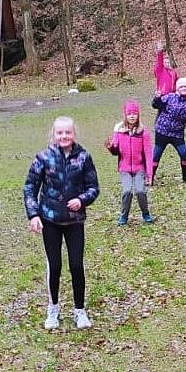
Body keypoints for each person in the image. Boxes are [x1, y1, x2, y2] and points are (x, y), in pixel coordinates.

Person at [23, 117, 99, 331]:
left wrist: (82, 200)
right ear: (53, 135)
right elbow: (30, 187)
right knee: (54, 266)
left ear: (73, 134)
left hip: (75, 221)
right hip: (50, 220)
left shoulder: (83, 157)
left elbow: (93, 187)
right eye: (60, 133)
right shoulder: (43, 158)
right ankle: (53, 308)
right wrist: (33, 215)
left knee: (76, 265)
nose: (64, 136)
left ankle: (79, 310)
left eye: (68, 132)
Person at [106, 100, 154, 226]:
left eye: (134, 113)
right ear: (125, 115)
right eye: (129, 114)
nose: (132, 116)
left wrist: (150, 174)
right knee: (127, 191)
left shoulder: (143, 133)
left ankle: (145, 213)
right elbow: (116, 151)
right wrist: (111, 147)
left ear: (138, 115)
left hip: (139, 168)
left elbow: (148, 155)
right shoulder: (119, 132)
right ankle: (124, 216)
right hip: (124, 168)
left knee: (140, 191)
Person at [151, 77, 186, 182]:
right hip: (162, 132)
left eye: (185, 87)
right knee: (156, 155)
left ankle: (185, 176)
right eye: (181, 86)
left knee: (184, 154)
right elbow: (156, 105)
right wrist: (157, 98)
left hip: (177, 135)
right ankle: (150, 176)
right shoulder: (170, 97)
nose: (183, 88)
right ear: (177, 88)